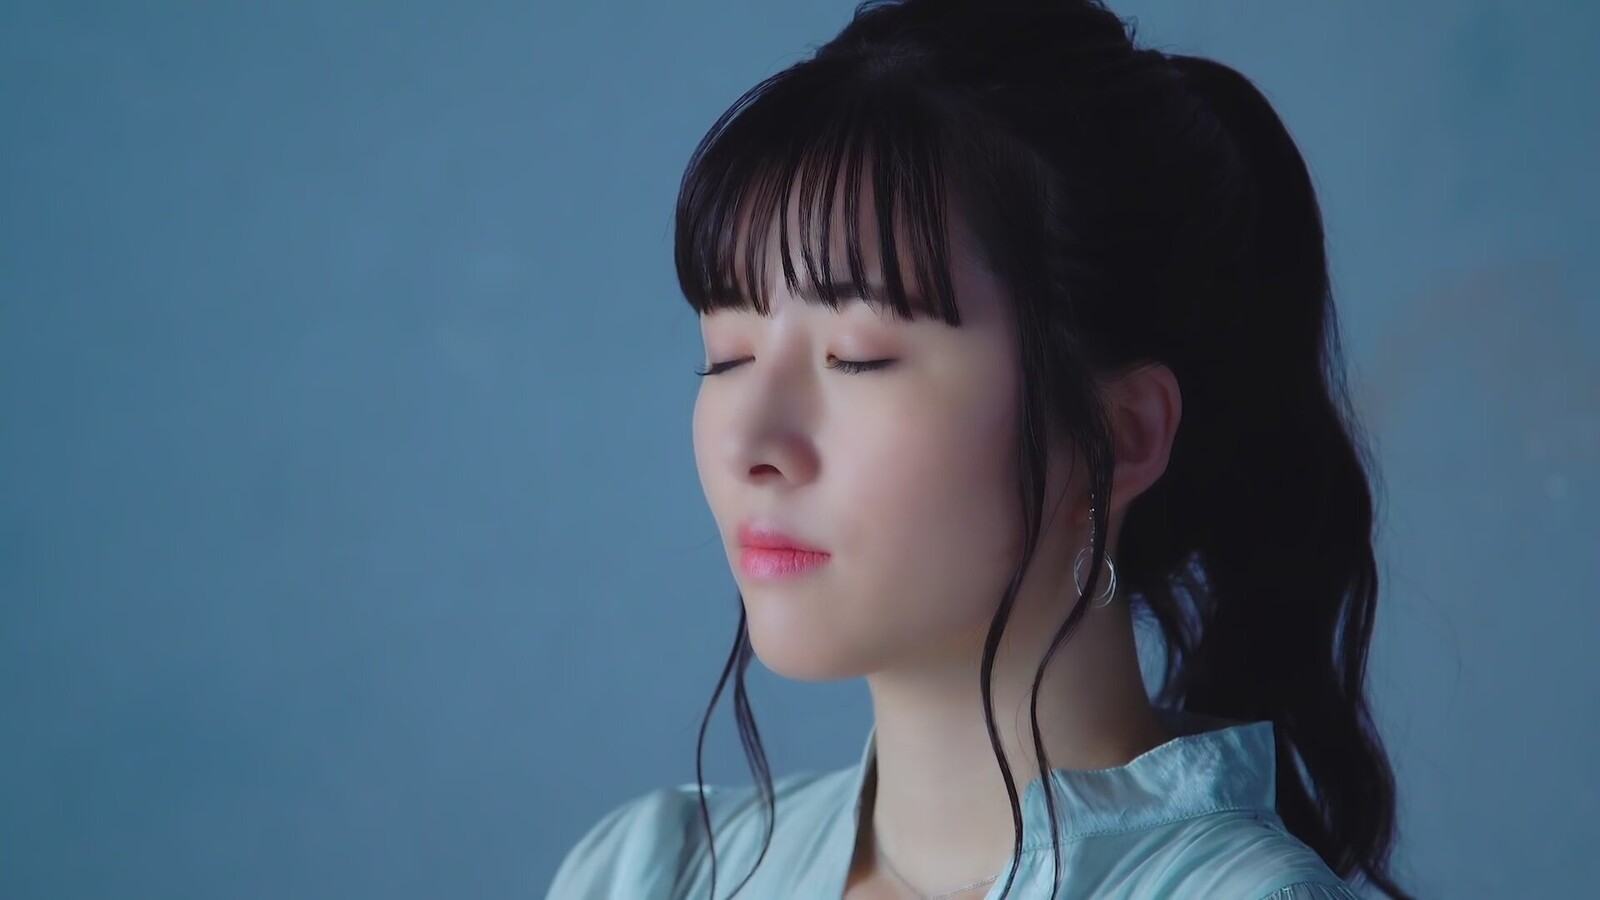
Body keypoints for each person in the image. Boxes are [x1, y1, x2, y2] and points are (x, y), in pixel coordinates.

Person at [546, 0, 1410, 897]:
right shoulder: (653, 874)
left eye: (858, 357)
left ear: (1121, 434)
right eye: (727, 355)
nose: (750, 444)